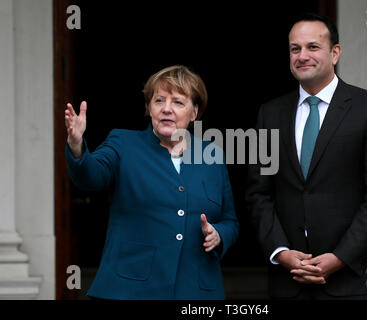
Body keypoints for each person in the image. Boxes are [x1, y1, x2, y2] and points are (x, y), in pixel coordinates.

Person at [246, 13, 367, 300]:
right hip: (288, 280)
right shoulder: (269, 113)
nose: (302, 55)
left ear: (335, 53)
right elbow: (258, 192)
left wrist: (340, 257)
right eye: (295, 49)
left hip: (353, 279)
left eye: (313, 47)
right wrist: (280, 252)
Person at [65, 65, 239, 299]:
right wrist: (77, 146)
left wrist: (219, 234)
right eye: (159, 100)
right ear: (149, 107)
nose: (167, 109)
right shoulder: (123, 143)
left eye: (178, 102)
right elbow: (90, 176)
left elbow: (230, 220)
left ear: (194, 112)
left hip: (195, 292)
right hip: (131, 289)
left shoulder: (211, 154)